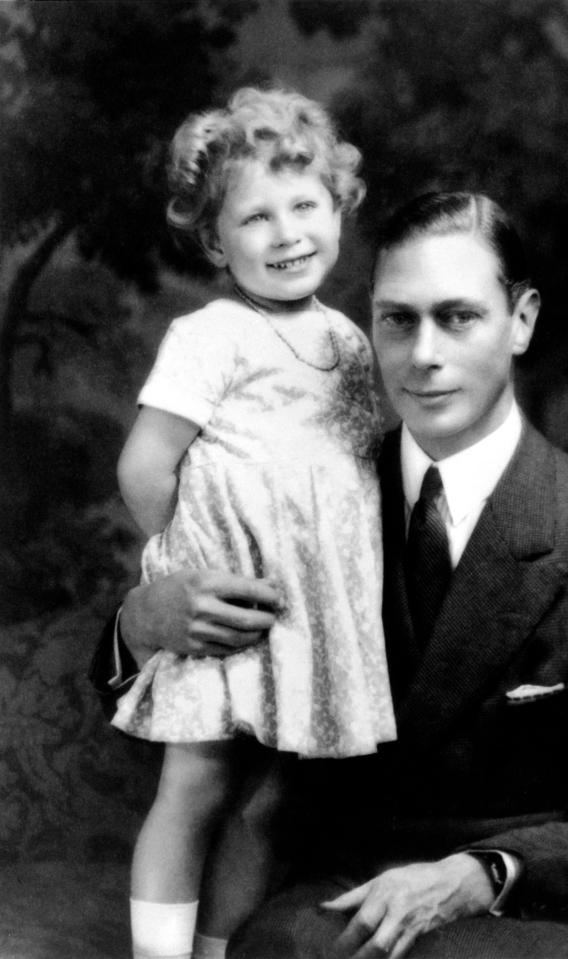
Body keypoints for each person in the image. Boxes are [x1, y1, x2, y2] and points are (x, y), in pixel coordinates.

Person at [92, 191, 568, 958]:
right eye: (397, 319)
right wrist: (142, 624)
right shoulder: (308, 498)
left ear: (522, 320)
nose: (423, 355)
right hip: (335, 898)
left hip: (522, 915)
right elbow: (197, 705)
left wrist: (477, 875)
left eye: (458, 317)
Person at [108, 85, 397, 959]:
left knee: (269, 799)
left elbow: (355, 471)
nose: (287, 233)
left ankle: (213, 950)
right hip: (229, 607)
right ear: (214, 240)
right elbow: (144, 465)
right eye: (255, 217)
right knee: (196, 781)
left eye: (304, 205)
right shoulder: (212, 334)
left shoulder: (349, 341)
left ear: (339, 210)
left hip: (307, 616)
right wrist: (186, 560)